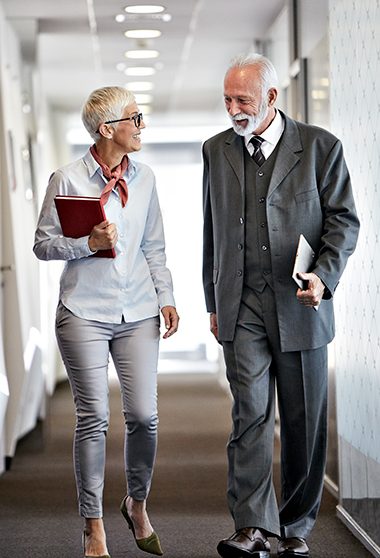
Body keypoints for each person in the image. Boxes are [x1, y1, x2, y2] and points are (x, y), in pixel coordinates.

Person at [202, 53, 359, 558]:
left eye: (242, 99)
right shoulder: (216, 150)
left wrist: (324, 277)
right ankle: (252, 526)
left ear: (272, 97)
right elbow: (212, 230)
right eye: (227, 99)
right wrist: (213, 299)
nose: (233, 109)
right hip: (241, 303)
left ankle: (294, 526)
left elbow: (343, 222)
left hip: (300, 304)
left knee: (302, 420)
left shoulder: (319, 148)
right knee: (249, 413)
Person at [34, 86, 179, 558]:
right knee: (92, 417)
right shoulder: (68, 178)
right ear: (107, 129)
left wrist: (167, 296)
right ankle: (92, 524)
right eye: (135, 118)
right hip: (83, 312)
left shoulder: (148, 178)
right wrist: (86, 245)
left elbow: (154, 245)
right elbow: (43, 245)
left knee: (144, 416)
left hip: (137, 311)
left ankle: (136, 504)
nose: (141, 126)